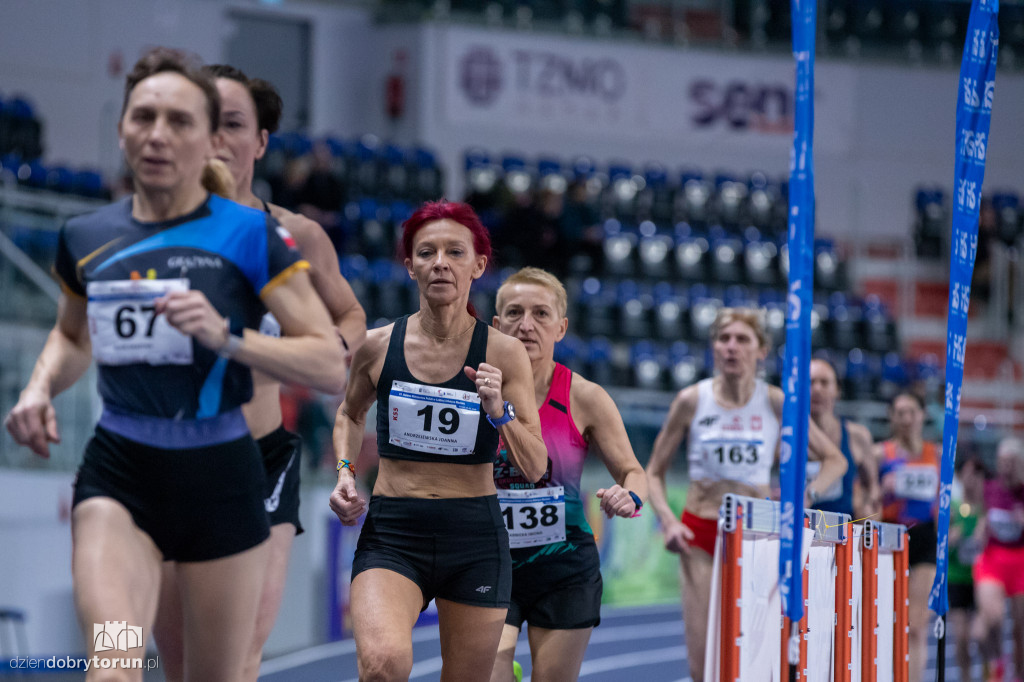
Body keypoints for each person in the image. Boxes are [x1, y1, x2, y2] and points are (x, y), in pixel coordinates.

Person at [3, 48, 346, 681]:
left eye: (179, 120)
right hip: (119, 477)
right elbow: (72, 337)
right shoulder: (85, 235)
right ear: (122, 128)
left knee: (210, 672)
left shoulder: (250, 237)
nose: (158, 134)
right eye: (144, 116)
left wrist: (229, 339)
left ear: (205, 135)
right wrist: (38, 387)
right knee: (112, 659)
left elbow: (329, 363)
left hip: (222, 480)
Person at [150, 64, 367, 681]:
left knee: (239, 650)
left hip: (259, 460)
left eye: (234, 124)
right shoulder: (144, 231)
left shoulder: (296, 235)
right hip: (162, 455)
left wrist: (325, 347)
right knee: (176, 659)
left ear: (261, 142)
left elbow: (350, 313)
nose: (217, 137)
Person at [328, 200, 548, 680]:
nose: (441, 263)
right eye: (426, 252)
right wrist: (345, 472)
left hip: (473, 538)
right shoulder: (377, 345)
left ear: (478, 265)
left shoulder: (504, 353)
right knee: (383, 664)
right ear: (410, 266)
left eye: (455, 252)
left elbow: (535, 465)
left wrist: (499, 413)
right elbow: (349, 412)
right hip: (394, 532)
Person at [645, 307, 848, 682]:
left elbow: (835, 460)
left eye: (742, 340)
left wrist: (807, 494)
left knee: (756, 657)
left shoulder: (776, 402)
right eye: (723, 339)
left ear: (761, 350)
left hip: (756, 537)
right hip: (700, 534)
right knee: (702, 661)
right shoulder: (692, 400)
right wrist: (668, 521)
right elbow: (653, 473)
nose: (731, 347)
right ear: (713, 348)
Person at [487, 267, 648, 682]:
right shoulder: (475, 391)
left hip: (563, 565)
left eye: (540, 314)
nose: (526, 325)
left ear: (561, 327)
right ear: (495, 325)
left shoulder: (586, 397)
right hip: (488, 560)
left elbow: (633, 471)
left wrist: (630, 496)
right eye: (514, 313)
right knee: (489, 672)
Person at [875, 391, 940, 682]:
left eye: (911, 412)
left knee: (916, 626)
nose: (906, 419)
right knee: (886, 621)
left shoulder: (936, 454)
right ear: (891, 417)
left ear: (922, 415)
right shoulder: (880, 453)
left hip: (925, 537)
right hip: (890, 535)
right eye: (899, 412)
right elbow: (865, 499)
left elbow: (945, 498)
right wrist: (883, 487)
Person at [971, 436, 1024, 682]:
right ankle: (997, 664)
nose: (1006, 467)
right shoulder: (990, 487)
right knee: (990, 620)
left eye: (1012, 462)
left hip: (1020, 561)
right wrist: (982, 526)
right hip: (993, 559)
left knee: (1020, 627)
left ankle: (1019, 673)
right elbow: (983, 514)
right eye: (1003, 462)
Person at [807, 357, 880, 520]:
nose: (817, 389)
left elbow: (872, 487)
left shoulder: (857, 436)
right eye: (810, 382)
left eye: (824, 383)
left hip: (842, 535)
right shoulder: (786, 435)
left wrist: (868, 514)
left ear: (837, 390)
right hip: (798, 531)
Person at [949, 451, 986, 682]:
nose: (971, 479)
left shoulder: (988, 509)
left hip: (982, 580)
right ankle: (965, 678)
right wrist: (957, 533)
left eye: (976, 474)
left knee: (981, 635)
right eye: (967, 474)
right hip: (957, 578)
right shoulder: (952, 507)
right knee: (961, 637)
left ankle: (988, 674)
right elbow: (944, 542)